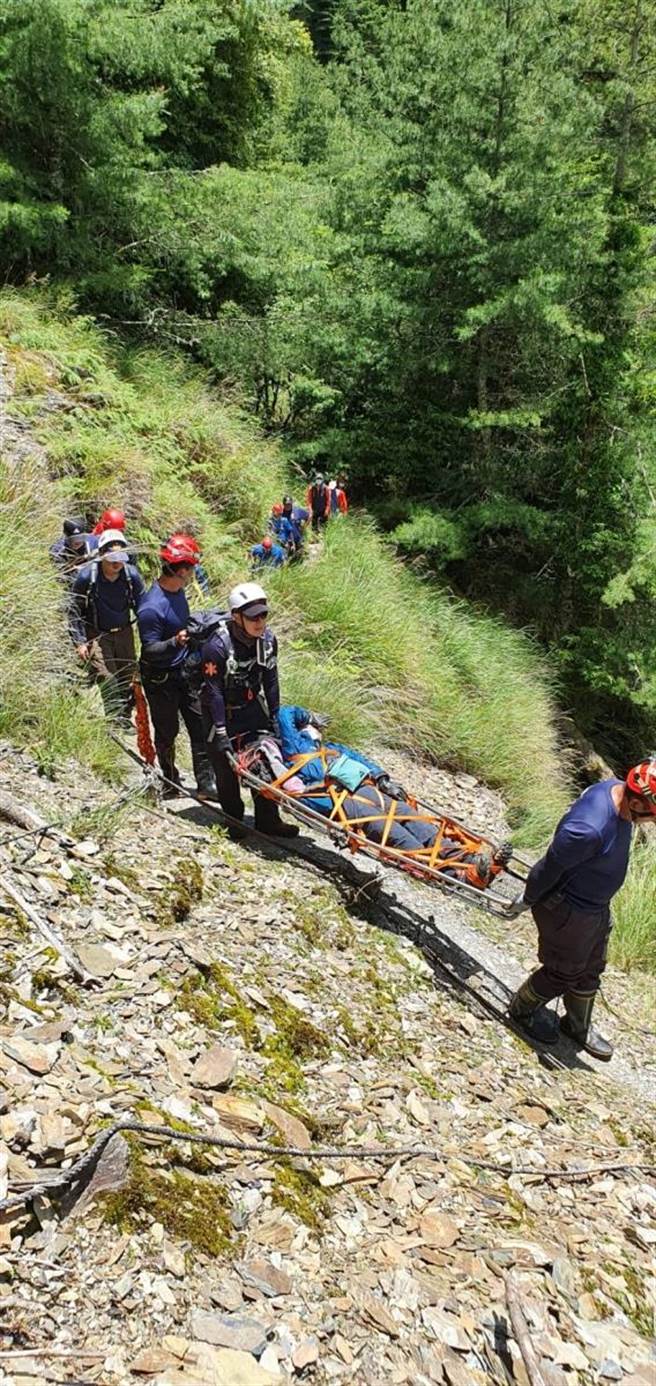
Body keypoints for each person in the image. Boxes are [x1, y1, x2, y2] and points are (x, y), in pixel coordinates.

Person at [242, 705, 510, 887]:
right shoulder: (296, 751)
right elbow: (286, 713)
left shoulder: (332, 748)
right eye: (315, 730)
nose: (319, 731)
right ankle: (458, 876)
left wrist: (382, 778)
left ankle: (471, 862)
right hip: (340, 801)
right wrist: (308, 716)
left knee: (415, 820)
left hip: (367, 788)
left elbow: (360, 759)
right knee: (394, 835)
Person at [506, 761, 656, 1057]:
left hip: (595, 908)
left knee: (591, 967)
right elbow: (550, 866)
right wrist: (527, 898)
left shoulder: (618, 796)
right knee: (564, 971)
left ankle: (577, 1025)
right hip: (567, 909)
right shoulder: (589, 829)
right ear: (638, 803)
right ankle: (522, 1008)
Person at [200, 583, 299, 841]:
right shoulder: (216, 647)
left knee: (263, 758)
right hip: (219, 711)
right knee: (225, 766)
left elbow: (271, 680)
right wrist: (220, 731)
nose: (260, 622)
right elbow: (213, 691)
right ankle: (234, 820)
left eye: (263, 615)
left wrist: (275, 717)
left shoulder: (267, 641)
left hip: (252, 707)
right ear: (236, 616)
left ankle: (268, 819)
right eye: (253, 617)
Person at [137, 534, 215, 799]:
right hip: (159, 677)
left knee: (199, 724)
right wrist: (175, 641)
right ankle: (170, 780)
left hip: (183, 670)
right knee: (167, 730)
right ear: (181, 570)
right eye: (191, 569)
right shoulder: (151, 608)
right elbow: (149, 650)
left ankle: (206, 784)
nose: (192, 574)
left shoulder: (178, 592)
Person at [69, 529, 146, 723]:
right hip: (97, 634)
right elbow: (74, 610)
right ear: (102, 554)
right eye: (112, 558)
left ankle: (124, 718)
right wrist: (79, 642)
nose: (117, 563)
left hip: (124, 633)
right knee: (107, 677)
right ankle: (113, 721)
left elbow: (142, 607)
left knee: (128, 676)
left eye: (121, 557)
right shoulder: (87, 577)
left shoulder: (131, 576)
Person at [50, 517, 97, 586]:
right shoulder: (57, 551)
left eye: (81, 538)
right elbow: (59, 574)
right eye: (73, 539)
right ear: (66, 536)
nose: (77, 542)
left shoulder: (93, 542)